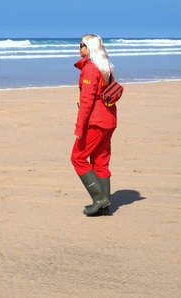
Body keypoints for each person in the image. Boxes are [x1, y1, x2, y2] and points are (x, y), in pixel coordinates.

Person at [70, 34, 117, 216]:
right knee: (100, 161)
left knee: (78, 158)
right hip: (109, 120)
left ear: (89, 48)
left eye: (81, 45)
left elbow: (87, 101)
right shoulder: (106, 67)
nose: (78, 47)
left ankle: (99, 199)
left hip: (95, 122)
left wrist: (79, 127)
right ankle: (105, 207)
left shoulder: (90, 69)